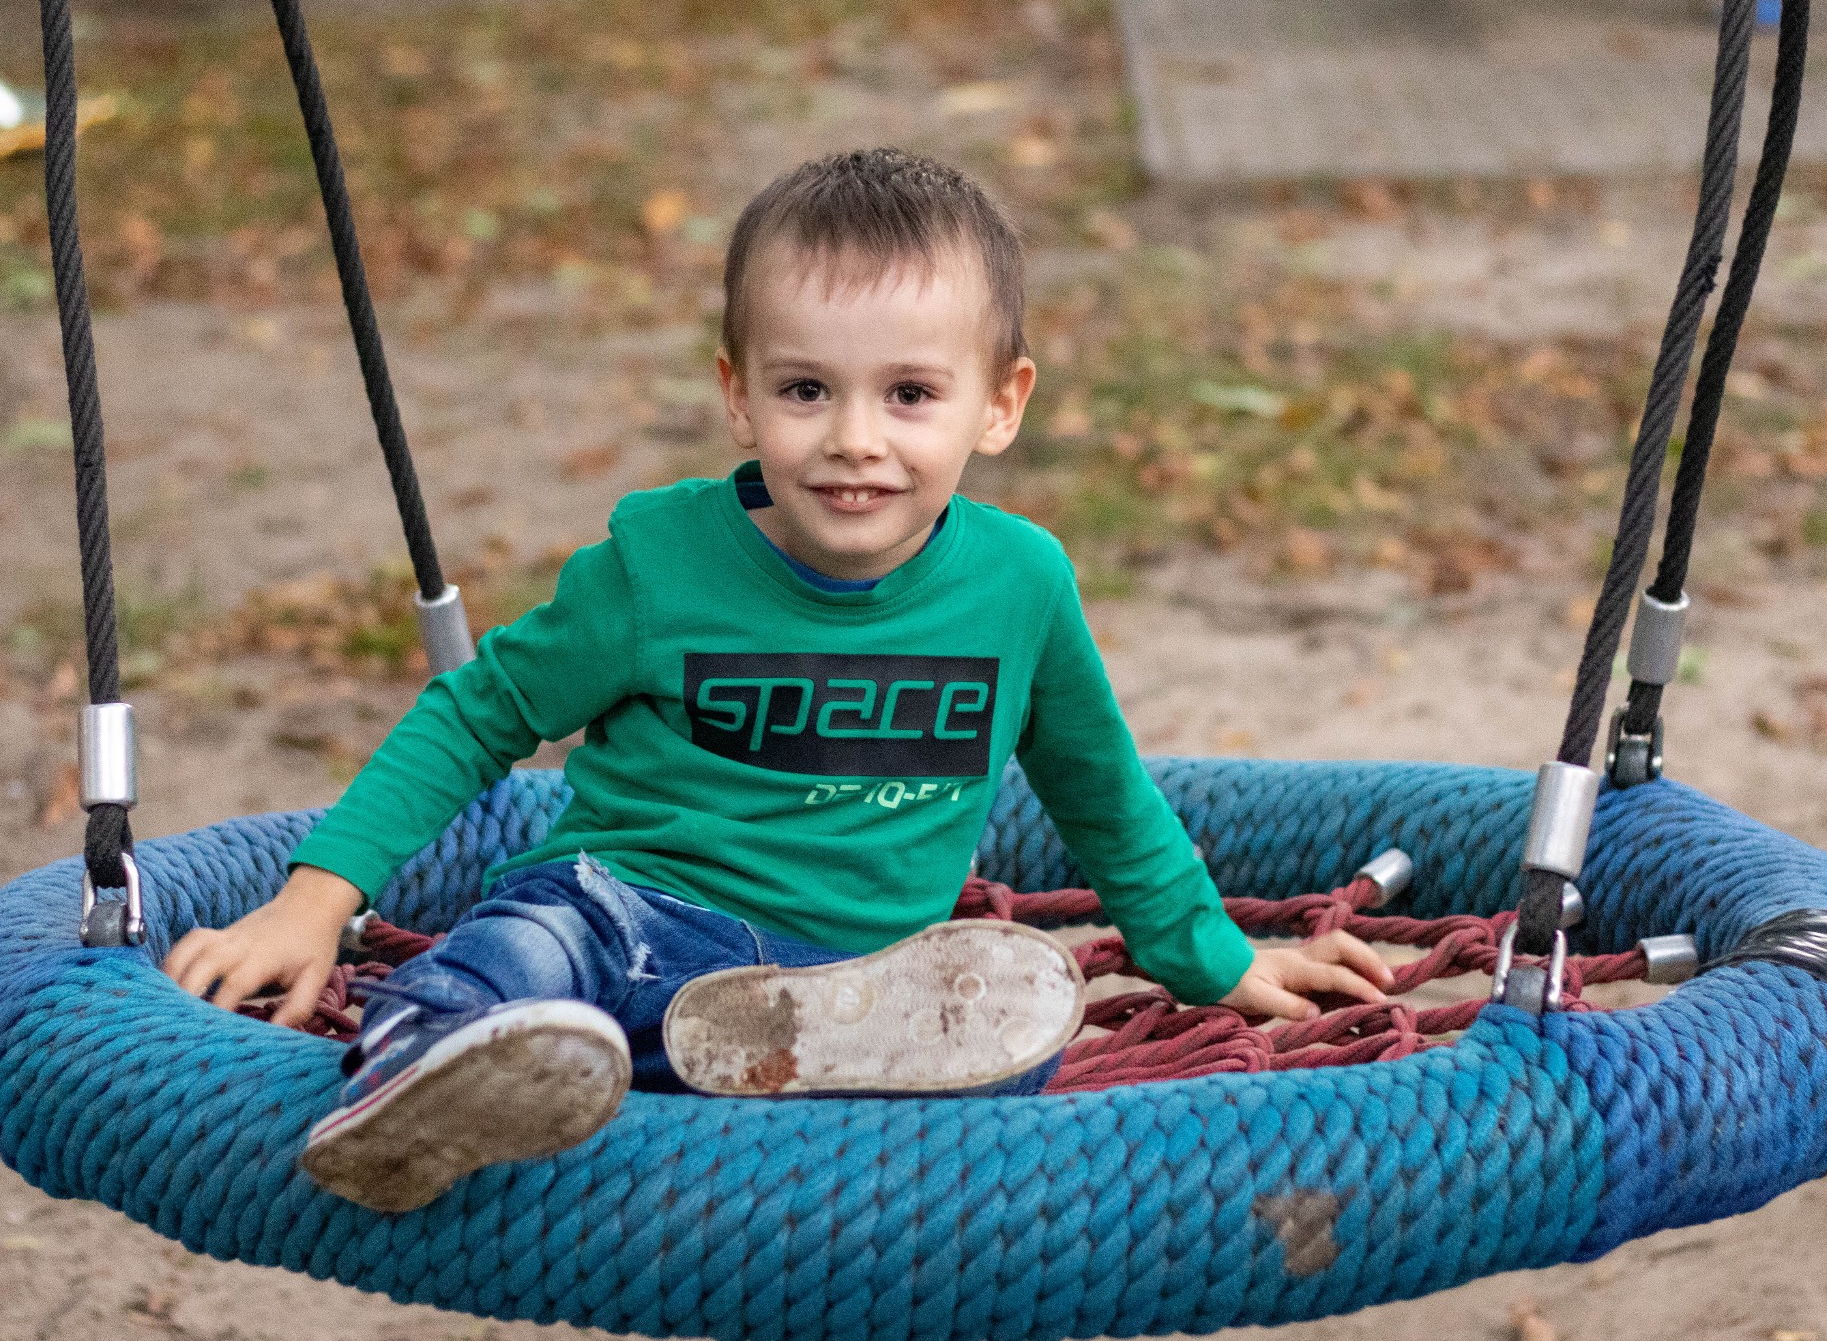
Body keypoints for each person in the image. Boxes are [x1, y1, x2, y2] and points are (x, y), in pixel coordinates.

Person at [163, 148, 1394, 1214]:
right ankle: (418, 1083)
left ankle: (727, 1060)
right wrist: (315, 903)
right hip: (626, 917)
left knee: (1012, 1020)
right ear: (738, 396)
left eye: (909, 395)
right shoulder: (658, 566)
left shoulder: (1020, 587)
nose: (854, 438)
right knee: (520, 958)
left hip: (853, 988)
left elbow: (1101, 793)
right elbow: (475, 714)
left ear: (999, 404)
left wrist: (1210, 959)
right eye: (806, 390)